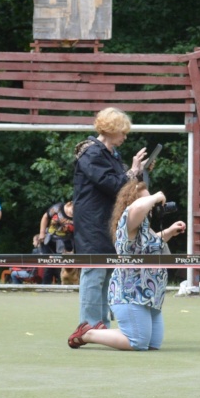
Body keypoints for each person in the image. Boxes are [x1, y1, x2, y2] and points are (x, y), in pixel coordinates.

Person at [67, 180, 186, 350]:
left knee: (153, 344)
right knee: (138, 342)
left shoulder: (144, 226)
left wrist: (169, 232)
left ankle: (101, 331)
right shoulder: (128, 219)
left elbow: (150, 245)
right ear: (132, 202)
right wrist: (156, 196)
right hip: (130, 293)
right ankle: (88, 333)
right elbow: (137, 208)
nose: (151, 204)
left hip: (149, 295)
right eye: (146, 200)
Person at [72, 107, 148, 329]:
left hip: (107, 220)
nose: (125, 137)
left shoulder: (110, 154)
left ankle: (101, 324)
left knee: (105, 273)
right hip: (92, 222)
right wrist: (133, 171)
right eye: (122, 132)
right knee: (94, 273)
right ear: (112, 130)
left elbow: (124, 183)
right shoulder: (91, 153)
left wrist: (139, 171)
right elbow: (114, 184)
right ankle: (88, 325)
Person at [38, 200, 75, 285]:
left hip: (66, 242)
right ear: (69, 205)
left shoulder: (79, 214)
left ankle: (61, 286)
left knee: (62, 265)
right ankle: (45, 286)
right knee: (49, 264)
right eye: (73, 210)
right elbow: (45, 217)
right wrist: (42, 233)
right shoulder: (57, 208)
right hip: (50, 240)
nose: (73, 213)